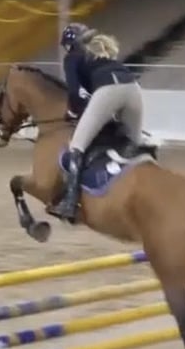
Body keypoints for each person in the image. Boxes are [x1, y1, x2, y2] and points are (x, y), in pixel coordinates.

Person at [49, 22, 145, 222]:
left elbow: (75, 93)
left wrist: (72, 111)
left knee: (76, 147)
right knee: (135, 144)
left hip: (108, 91)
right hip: (133, 88)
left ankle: (70, 203)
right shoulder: (103, 53)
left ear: (68, 44)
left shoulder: (72, 58)